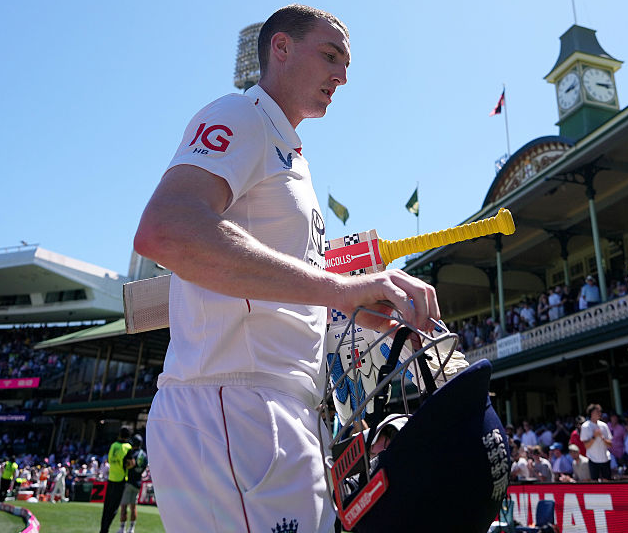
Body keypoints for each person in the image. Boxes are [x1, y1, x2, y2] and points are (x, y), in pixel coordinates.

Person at [133, 6, 440, 533]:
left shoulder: (292, 156)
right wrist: (339, 288)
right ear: (280, 48)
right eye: (330, 55)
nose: (342, 75)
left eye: (346, 62)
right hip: (236, 404)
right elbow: (168, 229)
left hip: (273, 407)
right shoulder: (240, 114)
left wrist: (348, 307)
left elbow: (267, 286)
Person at [99, 427, 132, 533]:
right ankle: (106, 529)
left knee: (106, 506)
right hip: (120, 479)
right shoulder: (127, 447)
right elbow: (130, 464)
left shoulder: (113, 445)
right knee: (114, 508)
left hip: (111, 478)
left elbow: (109, 459)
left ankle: (103, 529)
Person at [118, 434, 147, 533]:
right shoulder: (144, 455)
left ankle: (122, 529)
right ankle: (132, 529)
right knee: (133, 506)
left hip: (129, 482)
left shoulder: (131, 453)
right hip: (138, 482)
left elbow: (127, 465)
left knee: (124, 506)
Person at [580, 403, 612, 480]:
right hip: (593, 460)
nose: (599, 414)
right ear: (591, 413)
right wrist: (594, 437)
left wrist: (602, 438)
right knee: (595, 484)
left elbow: (610, 444)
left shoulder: (604, 425)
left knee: (607, 482)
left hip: (605, 459)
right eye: (597, 412)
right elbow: (586, 446)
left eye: (600, 411)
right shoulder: (585, 426)